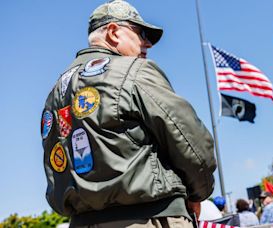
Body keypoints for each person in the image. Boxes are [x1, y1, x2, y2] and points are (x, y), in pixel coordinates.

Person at [41, 0, 217, 227]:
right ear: (114, 32)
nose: (147, 44)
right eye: (141, 33)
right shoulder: (134, 71)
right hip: (149, 217)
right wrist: (197, 193)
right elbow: (192, 143)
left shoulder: (55, 92)